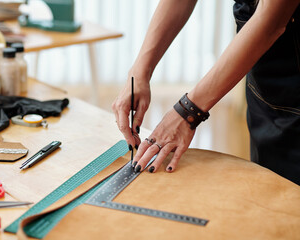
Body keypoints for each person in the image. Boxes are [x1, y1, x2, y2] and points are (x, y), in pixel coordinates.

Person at [112, 0, 300, 185]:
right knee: (271, 188)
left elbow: (271, 21)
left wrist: (188, 112)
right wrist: (139, 73)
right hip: (266, 82)